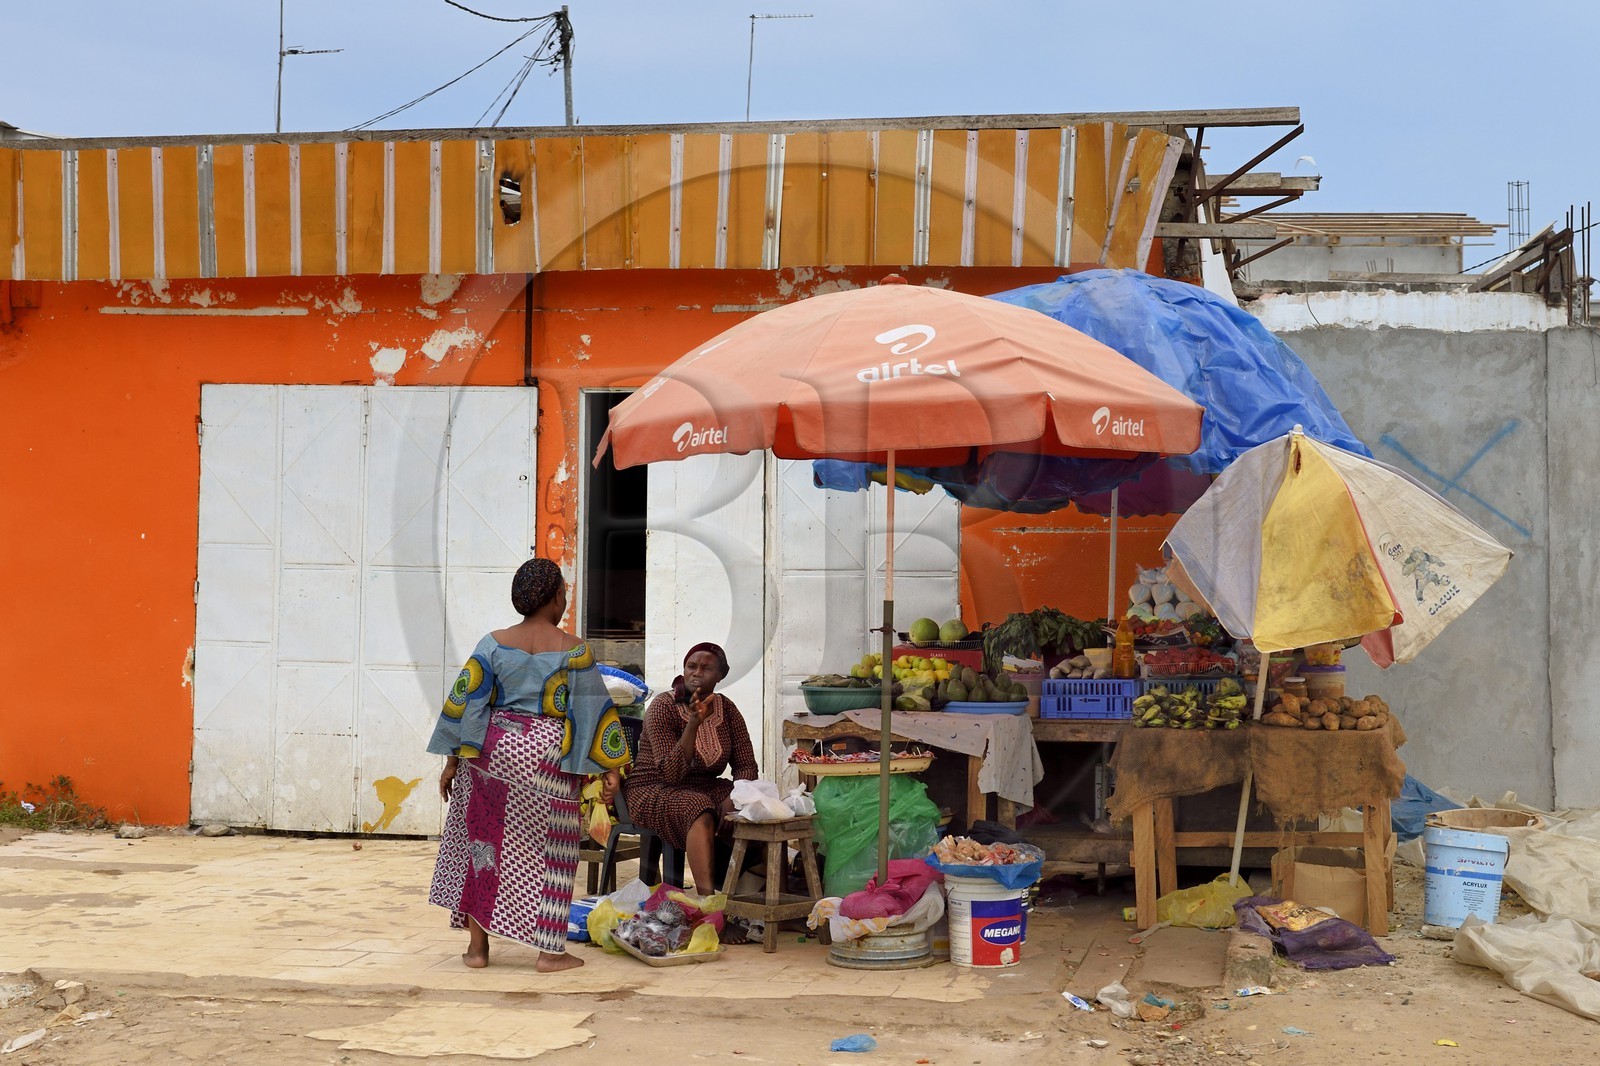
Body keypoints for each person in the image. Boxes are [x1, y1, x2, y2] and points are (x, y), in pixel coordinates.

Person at [427, 558, 630, 973]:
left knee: (482, 846)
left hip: (491, 754)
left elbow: (467, 700)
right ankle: (549, 954)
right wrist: (610, 769)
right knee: (552, 852)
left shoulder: (492, 643)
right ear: (556, 597)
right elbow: (591, 711)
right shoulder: (574, 649)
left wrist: (452, 761)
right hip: (546, 758)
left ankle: (478, 951)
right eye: (563, 592)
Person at [623, 642, 759, 895]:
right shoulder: (664, 705)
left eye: (706, 668)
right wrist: (693, 724)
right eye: (691, 666)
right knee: (697, 806)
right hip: (653, 787)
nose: (697, 673)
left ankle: (750, 898)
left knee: (758, 806)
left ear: (721, 675)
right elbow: (670, 774)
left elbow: (747, 765)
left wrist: (735, 795)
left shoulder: (727, 709)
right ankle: (709, 905)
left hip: (704, 787)